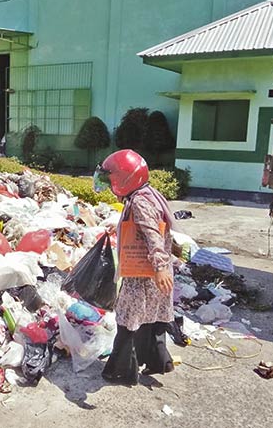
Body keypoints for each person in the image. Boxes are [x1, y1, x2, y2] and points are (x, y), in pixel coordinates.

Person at [93, 149, 175, 385]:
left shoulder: (139, 201)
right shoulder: (148, 194)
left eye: (111, 180)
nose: (110, 185)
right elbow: (140, 228)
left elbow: (151, 233)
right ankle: (160, 362)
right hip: (152, 271)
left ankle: (121, 372)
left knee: (128, 321)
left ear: (123, 179)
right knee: (151, 318)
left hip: (144, 273)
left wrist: (160, 266)